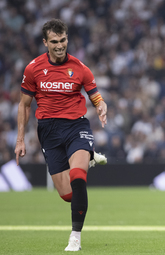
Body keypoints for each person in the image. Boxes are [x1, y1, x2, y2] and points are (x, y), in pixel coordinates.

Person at [14, 19, 107, 252]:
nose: (59, 45)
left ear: (67, 38)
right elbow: (24, 105)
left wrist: (101, 105)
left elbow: (94, 95)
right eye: (54, 41)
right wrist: (20, 139)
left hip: (76, 127)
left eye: (63, 40)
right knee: (67, 195)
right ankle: (89, 156)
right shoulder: (33, 68)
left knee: (78, 176)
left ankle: (75, 236)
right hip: (49, 132)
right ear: (45, 42)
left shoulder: (80, 68)